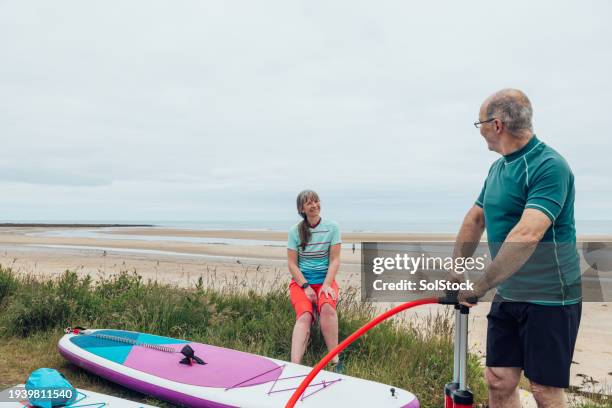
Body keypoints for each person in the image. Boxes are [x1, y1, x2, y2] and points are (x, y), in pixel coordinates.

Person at [453, 89, 581, 408]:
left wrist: (480, 285)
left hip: (550, 296)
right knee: (499, 380)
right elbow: (476, 218)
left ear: (496, 125)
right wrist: (456, 268)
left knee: (544, 389)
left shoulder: (550, 166)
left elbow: (526, 234)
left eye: (479, 122)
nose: (479, 129)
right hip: (509, 291)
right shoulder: (498, 169)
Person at [287, 189, 342, 370]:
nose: (314, 205)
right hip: (302, 283)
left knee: (327, 309)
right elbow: (292, 264)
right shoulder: (295, 231)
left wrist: (326, 285)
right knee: (304, 316)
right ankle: (295, 366)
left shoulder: (332, 227)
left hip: (325, 280)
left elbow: (334, 260)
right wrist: (306, 286)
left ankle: (335, 361)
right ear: (301, 209)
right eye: (309, 203)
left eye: (316, 201)